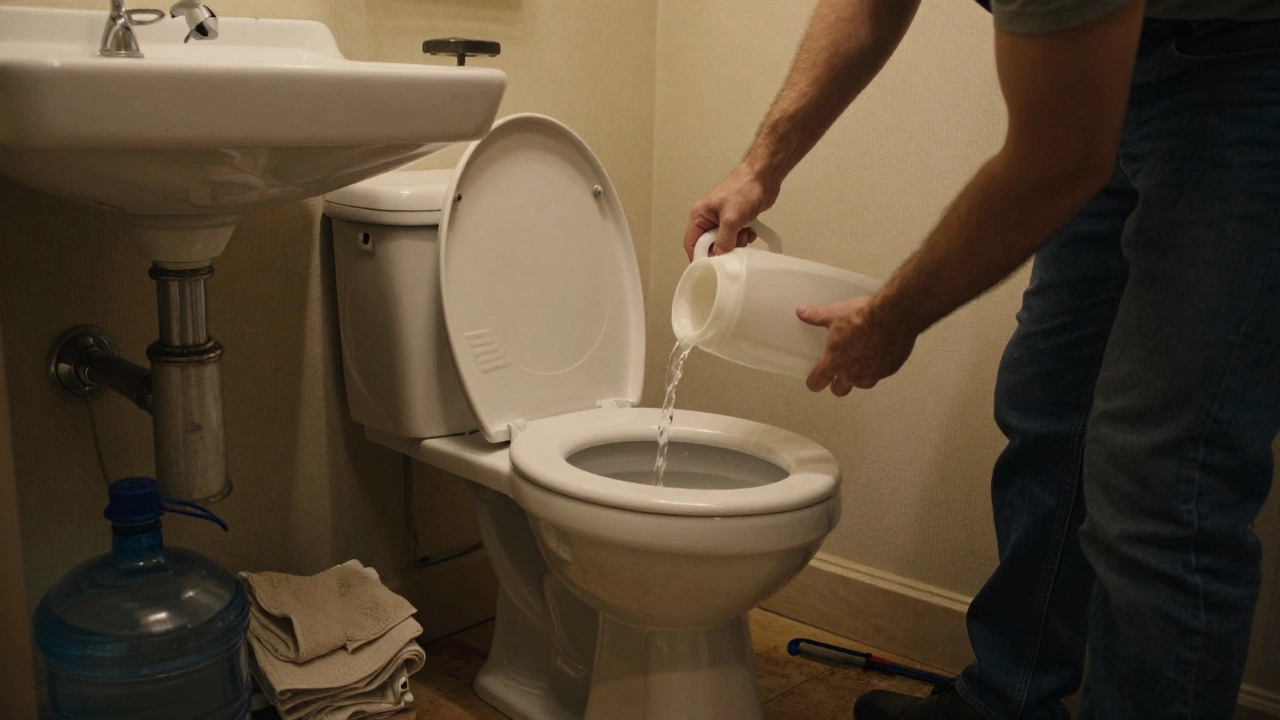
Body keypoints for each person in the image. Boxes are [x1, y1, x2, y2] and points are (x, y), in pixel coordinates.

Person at [683, 0, 1280, 718]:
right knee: (1047, 403)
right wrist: (759, 167)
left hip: (1252, 69)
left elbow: (1058, 158)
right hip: (1121, 54)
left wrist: (891, 317)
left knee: (1162, 480)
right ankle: (1009, 700)